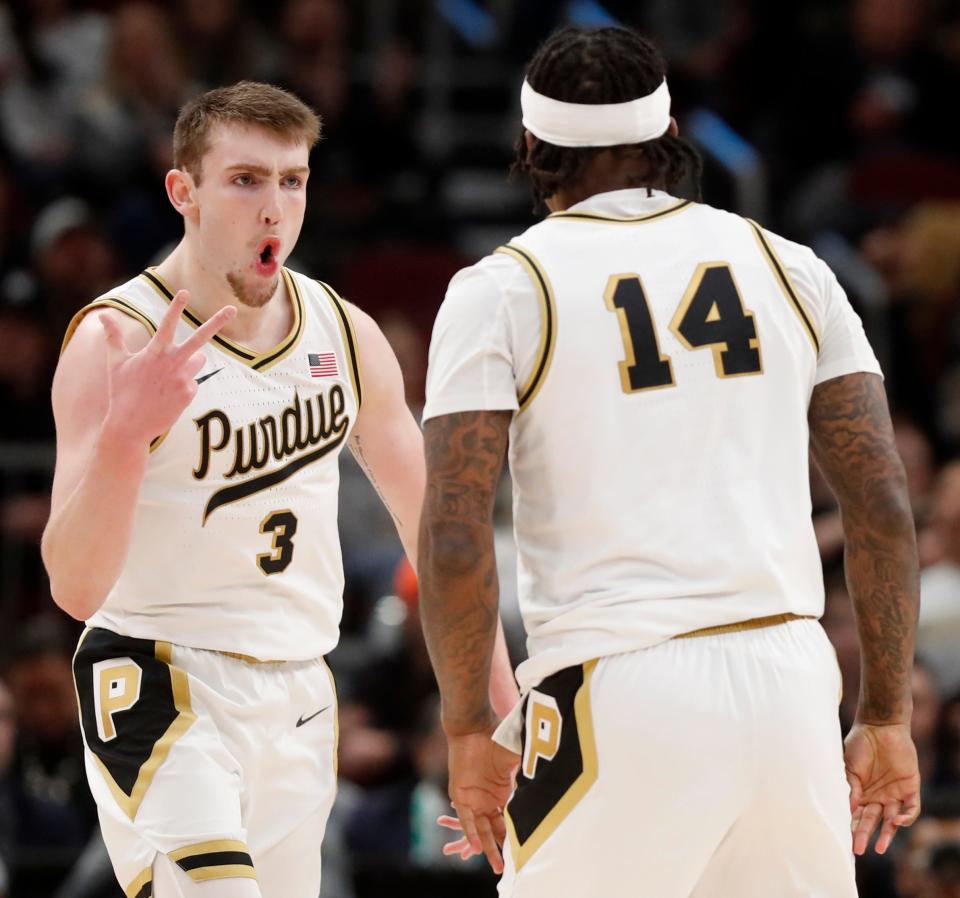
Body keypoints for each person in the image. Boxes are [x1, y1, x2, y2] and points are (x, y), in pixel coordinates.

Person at [417, 26, 921, 898]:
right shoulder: (788, 265)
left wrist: (467, 727)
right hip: (792, 684)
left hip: (620, 691)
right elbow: (879, 503)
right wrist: (885, 712)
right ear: (670, 132)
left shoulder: (502, 288)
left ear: (531, 147)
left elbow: (457, 537)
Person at [40, 81, 428, 898]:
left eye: (292, 181)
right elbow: (74, 588)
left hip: (299, 686)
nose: (274, 208)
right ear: (184, 191)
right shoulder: (116, 338)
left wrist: (483, 709)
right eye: (246, 180)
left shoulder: (345, 332)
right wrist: (125, 435)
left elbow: (441, 531)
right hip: (158, 675)